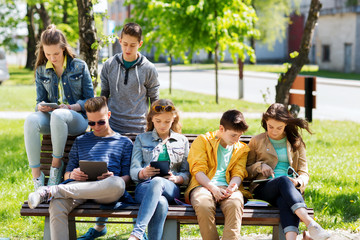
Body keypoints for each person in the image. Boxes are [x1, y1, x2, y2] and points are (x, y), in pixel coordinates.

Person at [27, 96, 133, 240]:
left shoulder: (124, 143)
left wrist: (112, 175)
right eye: (91, 123)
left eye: (101, 122)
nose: (96, 127)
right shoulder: (80, 141)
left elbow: (127, 178)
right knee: (57, 204)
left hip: (107, 190)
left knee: (118, 183)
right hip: (78, 189)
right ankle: (53, 193)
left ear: (108, 115)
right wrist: (72, 175)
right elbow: (67, 175)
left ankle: (51, 191)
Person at [246, 103, 331, 240]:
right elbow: (246, 169)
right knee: (284, 180)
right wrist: (260, 166)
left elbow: (304, 172)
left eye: (279, 127)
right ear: (265, 122)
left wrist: (297, 181)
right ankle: (312, 225)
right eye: (270, 126)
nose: (274, 131)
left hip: (290, 191)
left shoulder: (295, 141)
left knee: (284, 199)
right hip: (264, 188)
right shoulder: (257, 141)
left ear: (286, 124)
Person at [24, 24, 94, 190]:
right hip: (53, 118)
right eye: (48, 54)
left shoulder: (79, 66)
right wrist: (40, 106)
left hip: (77, 119)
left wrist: (71, 108)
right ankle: (37, 177)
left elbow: (91, 101)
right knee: (31, 120)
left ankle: (56, 167)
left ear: (64, 49)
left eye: (56, 53)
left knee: (59, 114)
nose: (52, 58)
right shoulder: (42, 70)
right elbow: (39, 100)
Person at [184, 110, 252, 240]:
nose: (237, 140)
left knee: (235, 203)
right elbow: (198, 171)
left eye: (240, 136)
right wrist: (213, 189)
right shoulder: (203, 141)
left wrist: (233, 186)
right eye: (233, 135)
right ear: (222, 128)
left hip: (227, 187)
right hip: (202, 186)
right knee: (203, 204)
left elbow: (239, 172)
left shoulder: (241, 148)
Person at [128, 99, 190, 240]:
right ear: (151, 119)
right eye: (158, 121)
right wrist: (143, 172)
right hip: (144, 187)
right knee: (161, 202)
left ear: (174, 119)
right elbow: (133, 170)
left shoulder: (182, 141)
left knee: (157, 181)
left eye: (167, 121)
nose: (163, 125)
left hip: (170, 187)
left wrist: (177, 178)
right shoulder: (142, 139)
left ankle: (137, 233)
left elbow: (187, 173)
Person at [100, 22, 160, 134]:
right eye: (125, 44)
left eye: (132, 45)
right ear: (120, 41)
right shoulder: (109, 65)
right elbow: (104, 95)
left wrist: (152, 128)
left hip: (139, 129)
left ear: (140, 44)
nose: (128, 49)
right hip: (113, 127)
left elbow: (154, 100)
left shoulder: (148, 68)